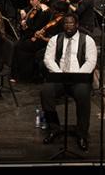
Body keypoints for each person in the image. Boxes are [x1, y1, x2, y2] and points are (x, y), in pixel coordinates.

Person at [39, 14, 96, 150]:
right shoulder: (55, 39)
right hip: (60, 76)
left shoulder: (87, 40)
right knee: (45, 92)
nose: (68, 25)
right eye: (65, 23)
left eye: (71, 23)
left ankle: (82, 134)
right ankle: (54, 128)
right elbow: (48, 59)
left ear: (76, 25)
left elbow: (91, 61)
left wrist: (78, 76)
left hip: (79, 78)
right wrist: (59, 74)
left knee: (83, 95)